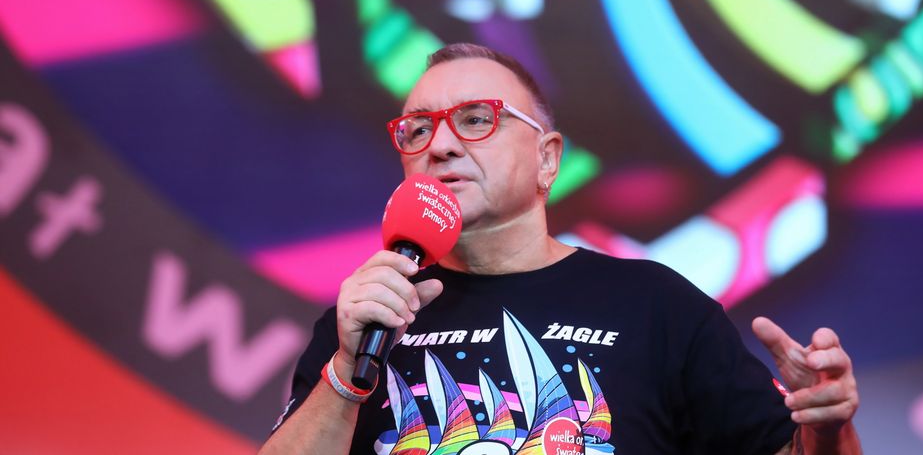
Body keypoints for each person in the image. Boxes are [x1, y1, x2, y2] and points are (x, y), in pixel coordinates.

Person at [258, 43, 860, 454]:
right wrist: (346, 373)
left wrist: (827, 430)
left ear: (547, 159)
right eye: (417, 129)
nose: (439, 145)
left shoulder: (656, 305)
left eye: (476, 119)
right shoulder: (366, 319)